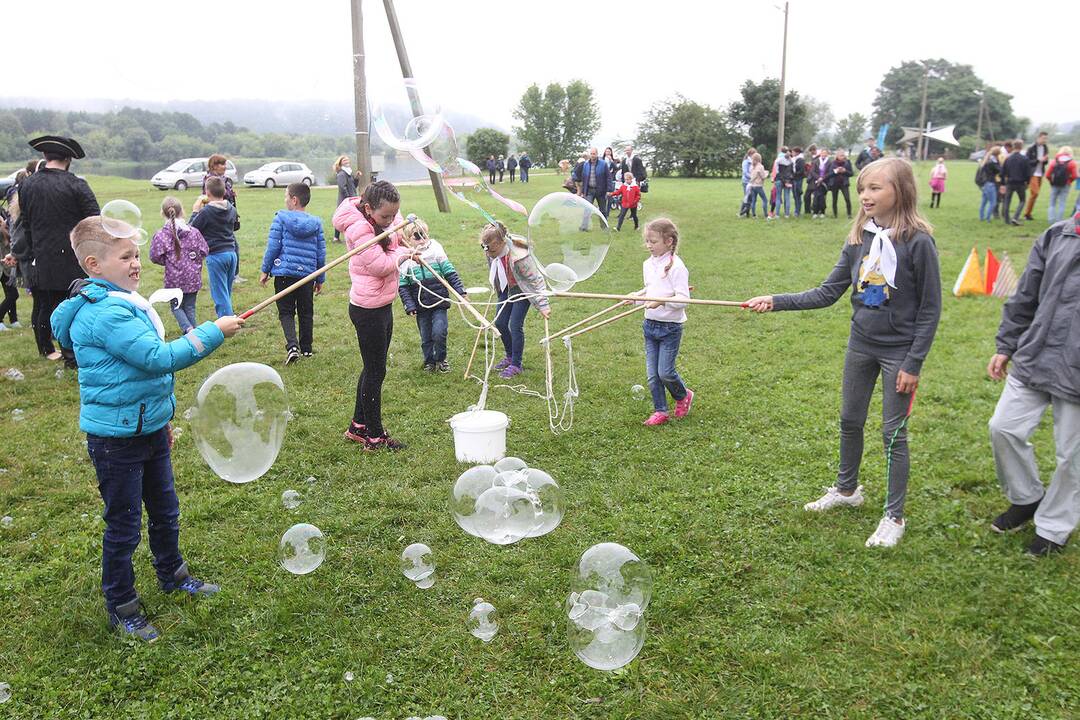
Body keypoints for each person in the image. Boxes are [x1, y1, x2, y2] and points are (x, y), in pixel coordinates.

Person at [49, 214, 245, 642]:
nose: (137, 263)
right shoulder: (105, 314)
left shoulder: (123, 302)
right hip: (116, 441)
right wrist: (214, 331)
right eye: (126, 257)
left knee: (165, 510)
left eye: (137, 255)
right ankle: (122, 606)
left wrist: (160, 421)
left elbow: (142, 379)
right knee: (123, 526)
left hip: (147, 429)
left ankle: (173, 576)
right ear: (94, 265)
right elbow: (157, 359)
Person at [746, 158, 942, 548]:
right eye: (863, 189)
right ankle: (847, 489)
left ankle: (894, 515)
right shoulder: (858, 239)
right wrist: (775, 300)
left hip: (898, 353)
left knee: (893, 433)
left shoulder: (918, 242)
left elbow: (930, 308)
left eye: (876, 188)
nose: (866, 196)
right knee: (850, 420)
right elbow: (827, 292)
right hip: (861, 344)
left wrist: (913, 362)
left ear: (900, 192)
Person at [986, 213, 1080, 556]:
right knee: (1003, 428)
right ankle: (1027, 498)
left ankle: (1054, 527)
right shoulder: (1058, 234)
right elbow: (1025, 296)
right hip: (1036, 354)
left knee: (1073, 454)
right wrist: (1006, 344)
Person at [333, 180, 416, 451]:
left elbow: (399, 225)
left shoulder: (381, 217)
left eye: (394, 214)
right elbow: (381, 266)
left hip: (381, 303)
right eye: (385, 216)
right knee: (375, 370)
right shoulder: (359, 229)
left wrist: (396, 231)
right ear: (368, 208)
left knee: (372, 369)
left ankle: (358, 426)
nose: (392, 220)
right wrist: (404, 252)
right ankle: (374, 436)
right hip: (368, 309)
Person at [9, 135, 99, 366]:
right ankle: (71, 356)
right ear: (68, 159)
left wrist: (30, 254)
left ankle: (47, 349)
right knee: (74, 307)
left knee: (45, 306)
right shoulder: (77, 185)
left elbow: (26, 223)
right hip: (74, 258)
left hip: (41, 257)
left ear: (44, 157)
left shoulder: (27, 185)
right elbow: (94, 222)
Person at [260, 182, 326, 365]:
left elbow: (273, 246)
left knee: (286, 312)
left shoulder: (280, 218)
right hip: (307, 275)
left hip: (284, 274)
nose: (285, 199)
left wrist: (265, 270)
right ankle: (306, 349)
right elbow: (321, 252)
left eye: (286, 196)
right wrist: (320, 277)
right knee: (306, 311)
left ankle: (292, 347)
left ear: (294, 200)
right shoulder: (316, 223)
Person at [637, 218, 693, 427]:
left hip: (670, 327)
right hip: (650, 325)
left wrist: (661, 302)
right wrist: (635, 297)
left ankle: (683, 395)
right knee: (653, 376)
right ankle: (660, 410)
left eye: (653, 241)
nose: (649, 245)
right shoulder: (648, 264)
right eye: (647, 241)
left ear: (669, 241)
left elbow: (683, 299)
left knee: (666, 373)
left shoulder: (677, 267)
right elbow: (649, 289)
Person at [480, 221, 550, 379]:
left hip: (522, 290)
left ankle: (516, 364)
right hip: (506, 289)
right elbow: (495, 270)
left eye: (490, 248)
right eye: (485, 248)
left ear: (500, 243)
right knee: (500, 323)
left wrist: (543, 305)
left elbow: (535, 280)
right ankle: (510, 356)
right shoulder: (491, 252)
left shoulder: (519, 256)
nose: (488, 252)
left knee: (515, 324)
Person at [398, 218, 467, 373]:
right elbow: (403, 286)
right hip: (421, 306)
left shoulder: (436, 251)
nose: (421, 239)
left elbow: (450, 272)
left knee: (439, 332)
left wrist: (460, 291)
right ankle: (429, 361)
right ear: (408, 240)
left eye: (424, 234)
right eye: (417, 236)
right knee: (426, 336)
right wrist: (409, 305)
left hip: (439, 301)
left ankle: (441, 359)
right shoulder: (406, 259)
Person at [149, 197, 208, 335]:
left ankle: (188, 330)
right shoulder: (194, 232)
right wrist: (194, 260)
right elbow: (204, 250)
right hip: (193, 277)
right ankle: (196, 337)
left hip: (173, 280)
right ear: (182, 211)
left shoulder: (161, 235)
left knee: (176, 307)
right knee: (190, 307)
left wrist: (168, 262)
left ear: (162, 213)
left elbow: (154, 256)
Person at [190, 176, 239, 317]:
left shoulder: (206, 212)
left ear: (207, 192)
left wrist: (195, 212)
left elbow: (192, 230)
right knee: (226, 291)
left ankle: (226, 323)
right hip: (232, 254)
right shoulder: (231, 208)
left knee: (219, 294)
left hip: (216, 256)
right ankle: (229, 318)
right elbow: (235, 226)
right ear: (224, 192)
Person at [577, 147, 611, 226]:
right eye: (591, 154)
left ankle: (604, 226)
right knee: (587, 208)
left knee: (602, 210)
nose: (592, 155)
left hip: (600, 190)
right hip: (589, 190)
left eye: (594, 154)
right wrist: (582, 191)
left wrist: (609, 189)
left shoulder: (603, 164)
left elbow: (608, 177)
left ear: (597, 154)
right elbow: (584, 178)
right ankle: (584, 226)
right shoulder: (585, 164)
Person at [1001, 139, 1032, 226]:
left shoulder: (1008, 158)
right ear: (1021, 147)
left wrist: (1003, 184)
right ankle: (1015, 217)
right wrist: (1028, 182)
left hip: (1010, 182)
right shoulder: (1025, 159)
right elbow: (1028, 173)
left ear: (1013, 147)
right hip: (1021, 183)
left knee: (1007, 200)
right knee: (1022, 200)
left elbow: (1003, 172)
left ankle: (1007, 219)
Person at [1044, 146, 1077, 223]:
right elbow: (1075, 176)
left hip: (1055, 184)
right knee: (1062, 202)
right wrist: (1069, 181)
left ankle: (1051, 220)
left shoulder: (1054, 161)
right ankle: (1059, 220)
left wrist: (1051, 182)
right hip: (1066, 185)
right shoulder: (1072, 163)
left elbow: (1047, 175)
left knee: (1052, 202)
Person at [1021, 131, 1050, 221]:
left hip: (1040, 173)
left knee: (1035, 195)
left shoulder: (1045, 148)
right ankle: (1026, 213)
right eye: (1043, 138)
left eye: (1046, 138)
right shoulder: (1031, 148)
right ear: (1038, 138)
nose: (1045, 140)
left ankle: (1028, 214)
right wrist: (1038, 160)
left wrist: (1045, 160)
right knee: (1035, 193)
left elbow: (1045, 162)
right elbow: (1027, 162)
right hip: (1032, 173)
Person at [333, 155, 359, 243]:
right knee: (340, 217)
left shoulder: (349, 173)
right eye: (344, 160)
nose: (347, 161)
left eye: (347, 159)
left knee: (351, 218)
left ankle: (350, 236)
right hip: (345, 200)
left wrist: (357, 178)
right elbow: (342, 187)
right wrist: (348, 198)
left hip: (351, 199)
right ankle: (336, 238)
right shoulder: (341, 173)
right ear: (340, 163)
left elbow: (353, 186)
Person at [826, 148, 854, 218]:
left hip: (844, 183)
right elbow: (829, 174)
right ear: (837, 156)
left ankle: (849, 214)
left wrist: (845, 171)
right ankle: (835, 215)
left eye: (843, 155)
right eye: (841, 155)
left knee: (847, 199)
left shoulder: (847, 162)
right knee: (834, 199)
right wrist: (836, 171)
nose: (843, 157)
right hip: (834, 183)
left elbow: (851, 173)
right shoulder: (833, 163)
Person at [0, 224, 19, 331]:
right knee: (13, 294)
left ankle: (14, 319)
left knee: (11, 293)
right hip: (3, 266)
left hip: (6, 268)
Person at [978, 146, 1004, 222]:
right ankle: (988, 218)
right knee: (993, 202)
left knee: (984, 202)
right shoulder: (993, 162)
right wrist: (1000, 162)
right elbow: (1000, 170)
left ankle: (981, 217)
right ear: (998, 154)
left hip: (985, 184)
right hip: (991, 184)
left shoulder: (987, 161)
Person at [741, 153, 769, 218]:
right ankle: (766, 215)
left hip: (752, 185)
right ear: (759, 159)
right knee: (765, 200)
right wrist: (766, 173)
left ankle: (754, 215)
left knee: (754, 200)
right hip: (759, 186)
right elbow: (763, 177)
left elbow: (752, 175)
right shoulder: (761, 166)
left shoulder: (751, 166)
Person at [810, 147, 830, 218]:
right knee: (815, 197)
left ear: (827, 154)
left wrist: (822, 178)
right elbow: (812, 171)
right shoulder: (816, 161)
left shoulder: (829, 162)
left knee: (822, 198)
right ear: (820, 154)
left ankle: (822, 212)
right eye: (822, 153)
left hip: (825, 182)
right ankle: (815, 212)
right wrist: (818, 178)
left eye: (825, 153)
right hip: (816, 181)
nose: (824, 154)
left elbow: (829, 172)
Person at [775, 147, 795, 218]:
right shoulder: (792, 161)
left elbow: (777, 172)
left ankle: (777, 214)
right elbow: (793, 173)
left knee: (778, 197)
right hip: (788, 181)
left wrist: (783, 181)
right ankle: (787, 214)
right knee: (787, 197)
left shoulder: (778, 160)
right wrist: (787, 182)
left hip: (779, 180)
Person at [801, 145, 818, 217]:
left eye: (811, 151)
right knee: (807, 196)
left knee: (815, 196)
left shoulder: (817, 158)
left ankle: (815, 210)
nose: (810, 153)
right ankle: (807, 210)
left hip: (816, 179)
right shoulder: (812, 158)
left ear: (813, 151)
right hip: (810, 179)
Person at [791, 146, 805, 217]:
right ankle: (796, 210)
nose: (792, 153)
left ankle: (798, 211)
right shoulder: (793, 159)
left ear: (797, 152)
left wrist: (794, 174)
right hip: (794, 179)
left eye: (793, 152)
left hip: (798, 179)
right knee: (794, 195)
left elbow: (801, 171)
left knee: (798, 195)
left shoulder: (801, 160)